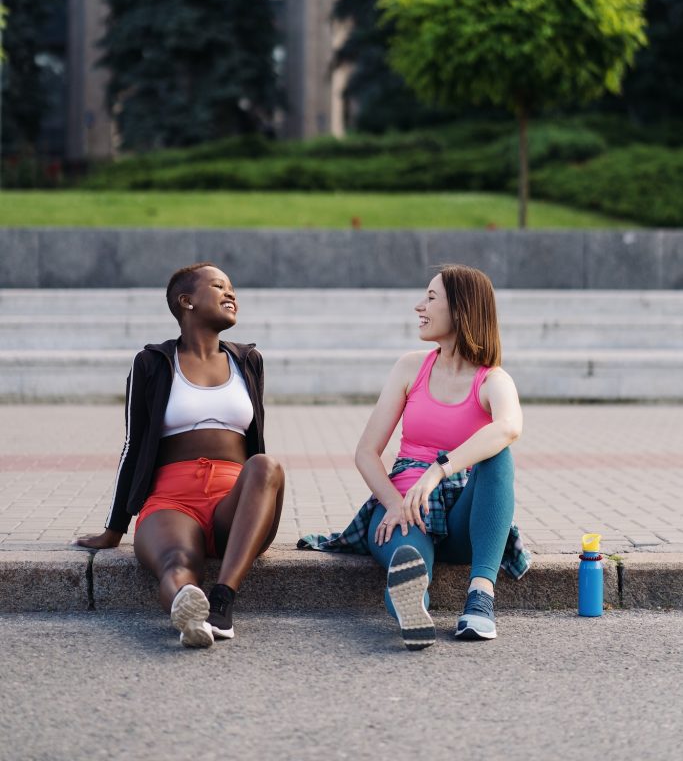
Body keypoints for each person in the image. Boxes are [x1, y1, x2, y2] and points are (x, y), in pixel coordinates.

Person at [298, 264, 530, 649]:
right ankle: (413, 613)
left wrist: (439, 470)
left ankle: (480, 598)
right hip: (404, 510)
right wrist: (393, 504)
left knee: (498, 453)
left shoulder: (492, 380)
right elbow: (366, 452)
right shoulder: (411, 367)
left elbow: (508, 427)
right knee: (408, 562)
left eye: (431, 298)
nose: (418, 306)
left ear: (461, 309)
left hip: (463, 520)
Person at [75, 262, 285, 649]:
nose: (231, 294)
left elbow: (256, 444)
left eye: (232, 288)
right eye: (219, 286)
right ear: (186, 301)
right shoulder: (152, 363)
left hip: (234, 503)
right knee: (176, 565)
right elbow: (133, 444)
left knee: (265, 466)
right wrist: (114, 528)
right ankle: (186, 611)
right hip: (171, 501)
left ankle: (222, 603)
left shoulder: (247, 361)